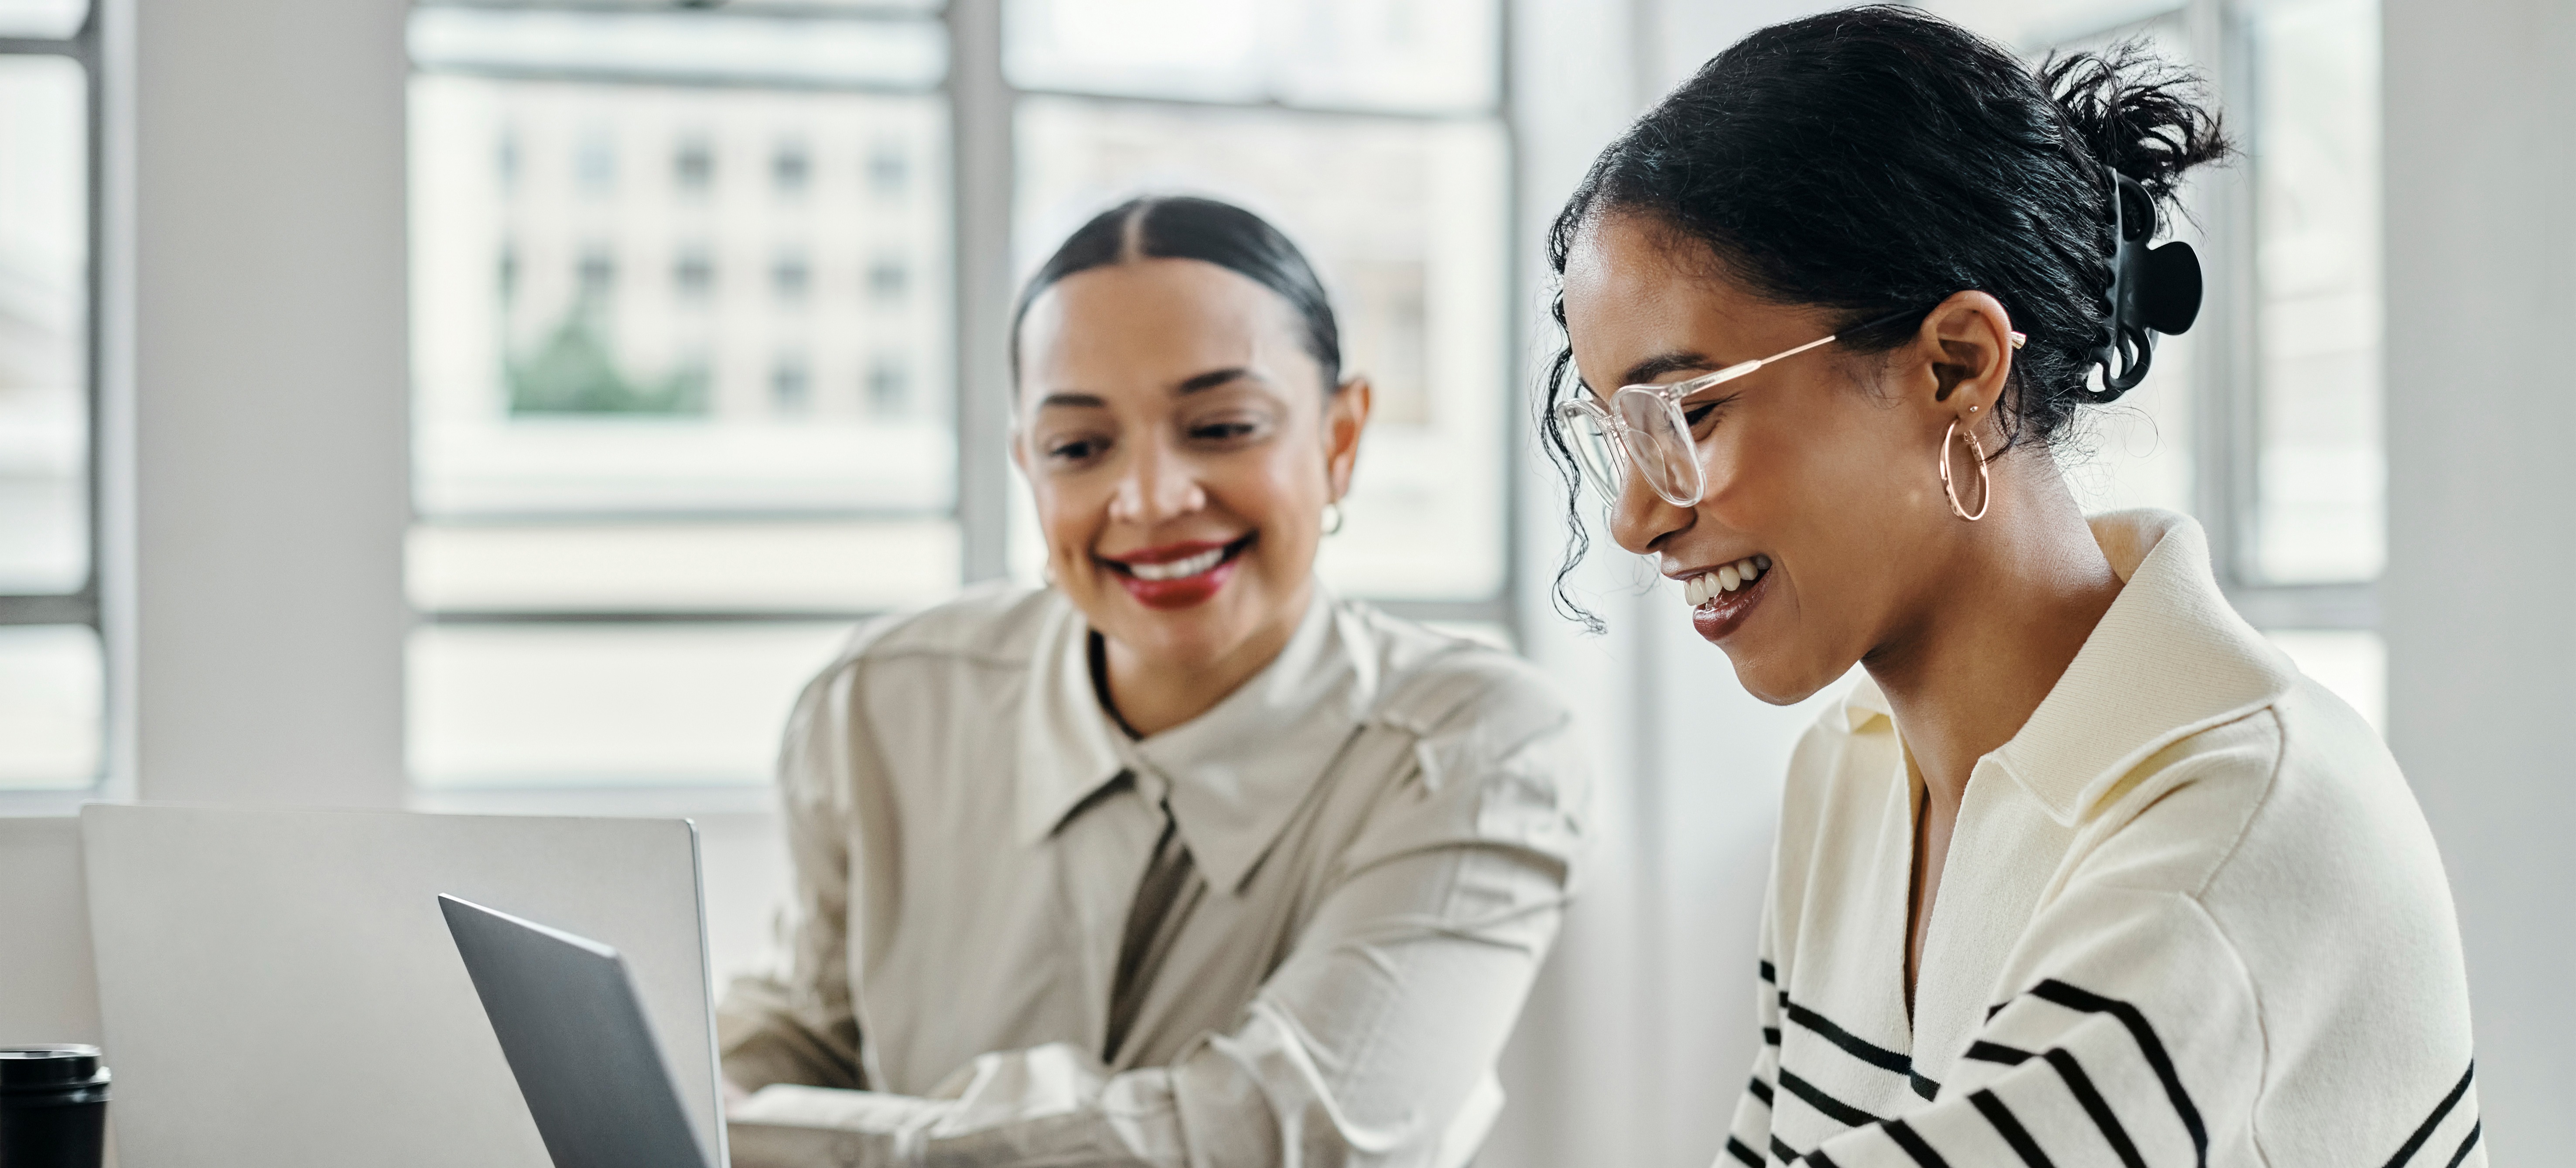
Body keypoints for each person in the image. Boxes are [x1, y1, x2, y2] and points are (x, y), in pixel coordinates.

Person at [1542, 9, 2479, 1166]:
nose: (1636, 518)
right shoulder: (1851, 770)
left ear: (1957, 363)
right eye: (1616, 435)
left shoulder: (2238, 831)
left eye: (1687, 413)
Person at [717, 195, 1589, 1167]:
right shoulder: (878, 704)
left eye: (1221, 426)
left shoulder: (1479, 744)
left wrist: (763, 1137)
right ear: (1029, 472)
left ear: (1340, 440)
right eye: (1079, 448)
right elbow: (795, 1035)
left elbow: (1284, 1138)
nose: (1151, 499)